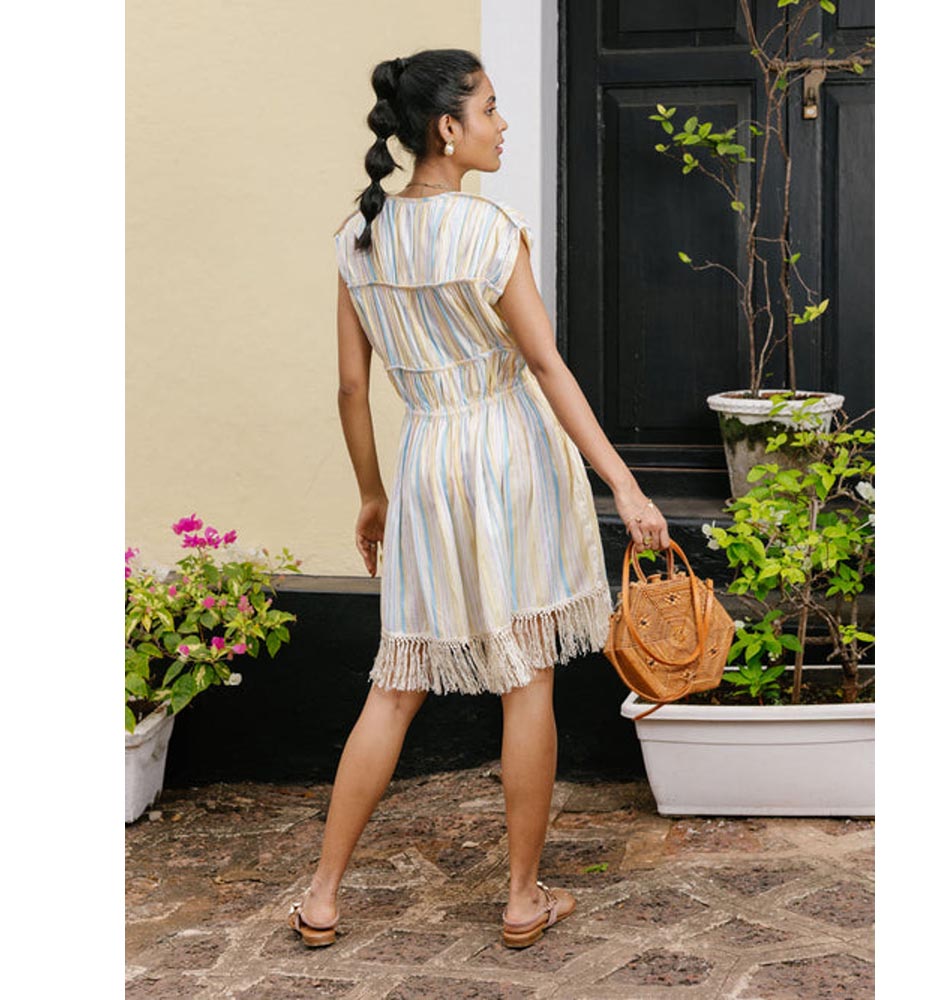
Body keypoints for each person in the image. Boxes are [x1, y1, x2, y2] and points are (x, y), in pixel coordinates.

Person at [287, 48, 670, 950]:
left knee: (396, 682)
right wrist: (624, 484)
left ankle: (323, 895)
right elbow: (546, 366)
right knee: (525, 678)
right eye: (491, 109)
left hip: (425, 459)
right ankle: (522, 897)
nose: (503, 125)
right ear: (447, 128)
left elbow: (351, 389)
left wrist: (372, 494)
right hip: (506, 453)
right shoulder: (491, 230)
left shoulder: (358, 237)